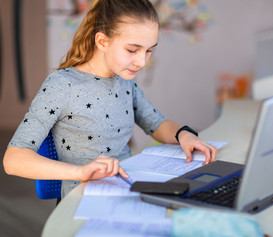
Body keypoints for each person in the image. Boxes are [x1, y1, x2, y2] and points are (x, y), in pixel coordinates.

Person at [3, 0, 217, 198]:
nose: (142, 61)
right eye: (132, 50)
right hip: (83, 201)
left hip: (126, 191)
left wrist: (183, 135)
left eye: (149, 51)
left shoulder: (125, 82)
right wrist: (80, 172)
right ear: (102, 41)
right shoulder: (62, 85)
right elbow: (13, 160)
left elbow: (156, 124)